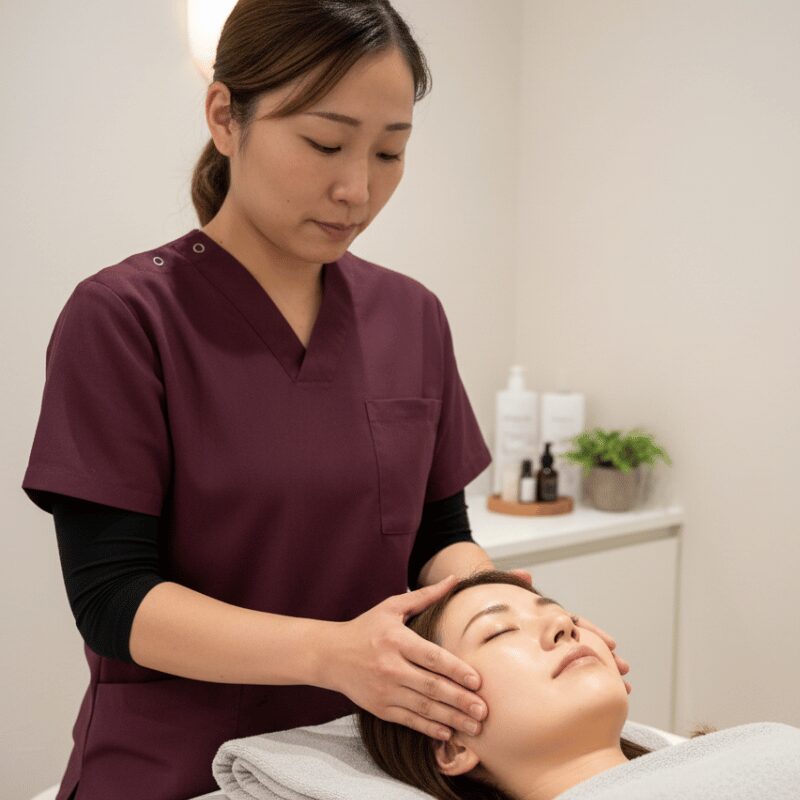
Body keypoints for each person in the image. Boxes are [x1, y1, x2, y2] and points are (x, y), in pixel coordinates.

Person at [21, 3, 631, 799]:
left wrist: (530, 620)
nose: (358, 189)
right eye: (324, 144)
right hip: (176, 767)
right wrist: (332, 655)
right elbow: (112, 598)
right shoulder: (125, 318)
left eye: (390, 152)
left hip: (363, 760)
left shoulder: (410, 316)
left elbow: (439, 540)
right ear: (225, 118)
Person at [357, 569, 800, 800]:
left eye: (565, 617)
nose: (564, 628)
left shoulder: (756, 748)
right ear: (451, 744)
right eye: (499, 631)